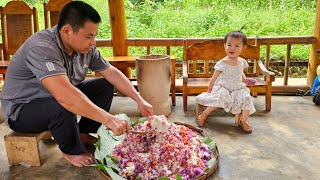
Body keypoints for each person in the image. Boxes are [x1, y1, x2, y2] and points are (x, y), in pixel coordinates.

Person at [0, 1, 153, 167]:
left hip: (55, 97)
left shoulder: (86, 48)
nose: (93, 42)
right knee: (61, 104)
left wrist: (139, 100)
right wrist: (108, 119)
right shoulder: (42, 48)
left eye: (94, 36)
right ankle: (71, 150)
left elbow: (111, 73)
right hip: (23, 111)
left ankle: (81, 133)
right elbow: (65, 96)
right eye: (88, 36)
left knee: (104, 85)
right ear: (67, 31)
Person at [195, 30, 256, 133]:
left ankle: (244, 121)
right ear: (225, 46)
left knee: (247, 98)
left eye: (237, 46)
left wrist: (245, 80)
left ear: (243, 48)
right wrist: (210, 88)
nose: (232, 48)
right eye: (229, 45)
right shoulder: (222, 63)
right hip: (223, 87)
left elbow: (240, 73)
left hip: (237, 88)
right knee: (221, 99)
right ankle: (204, 114)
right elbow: (214, 77)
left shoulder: (241, 61)